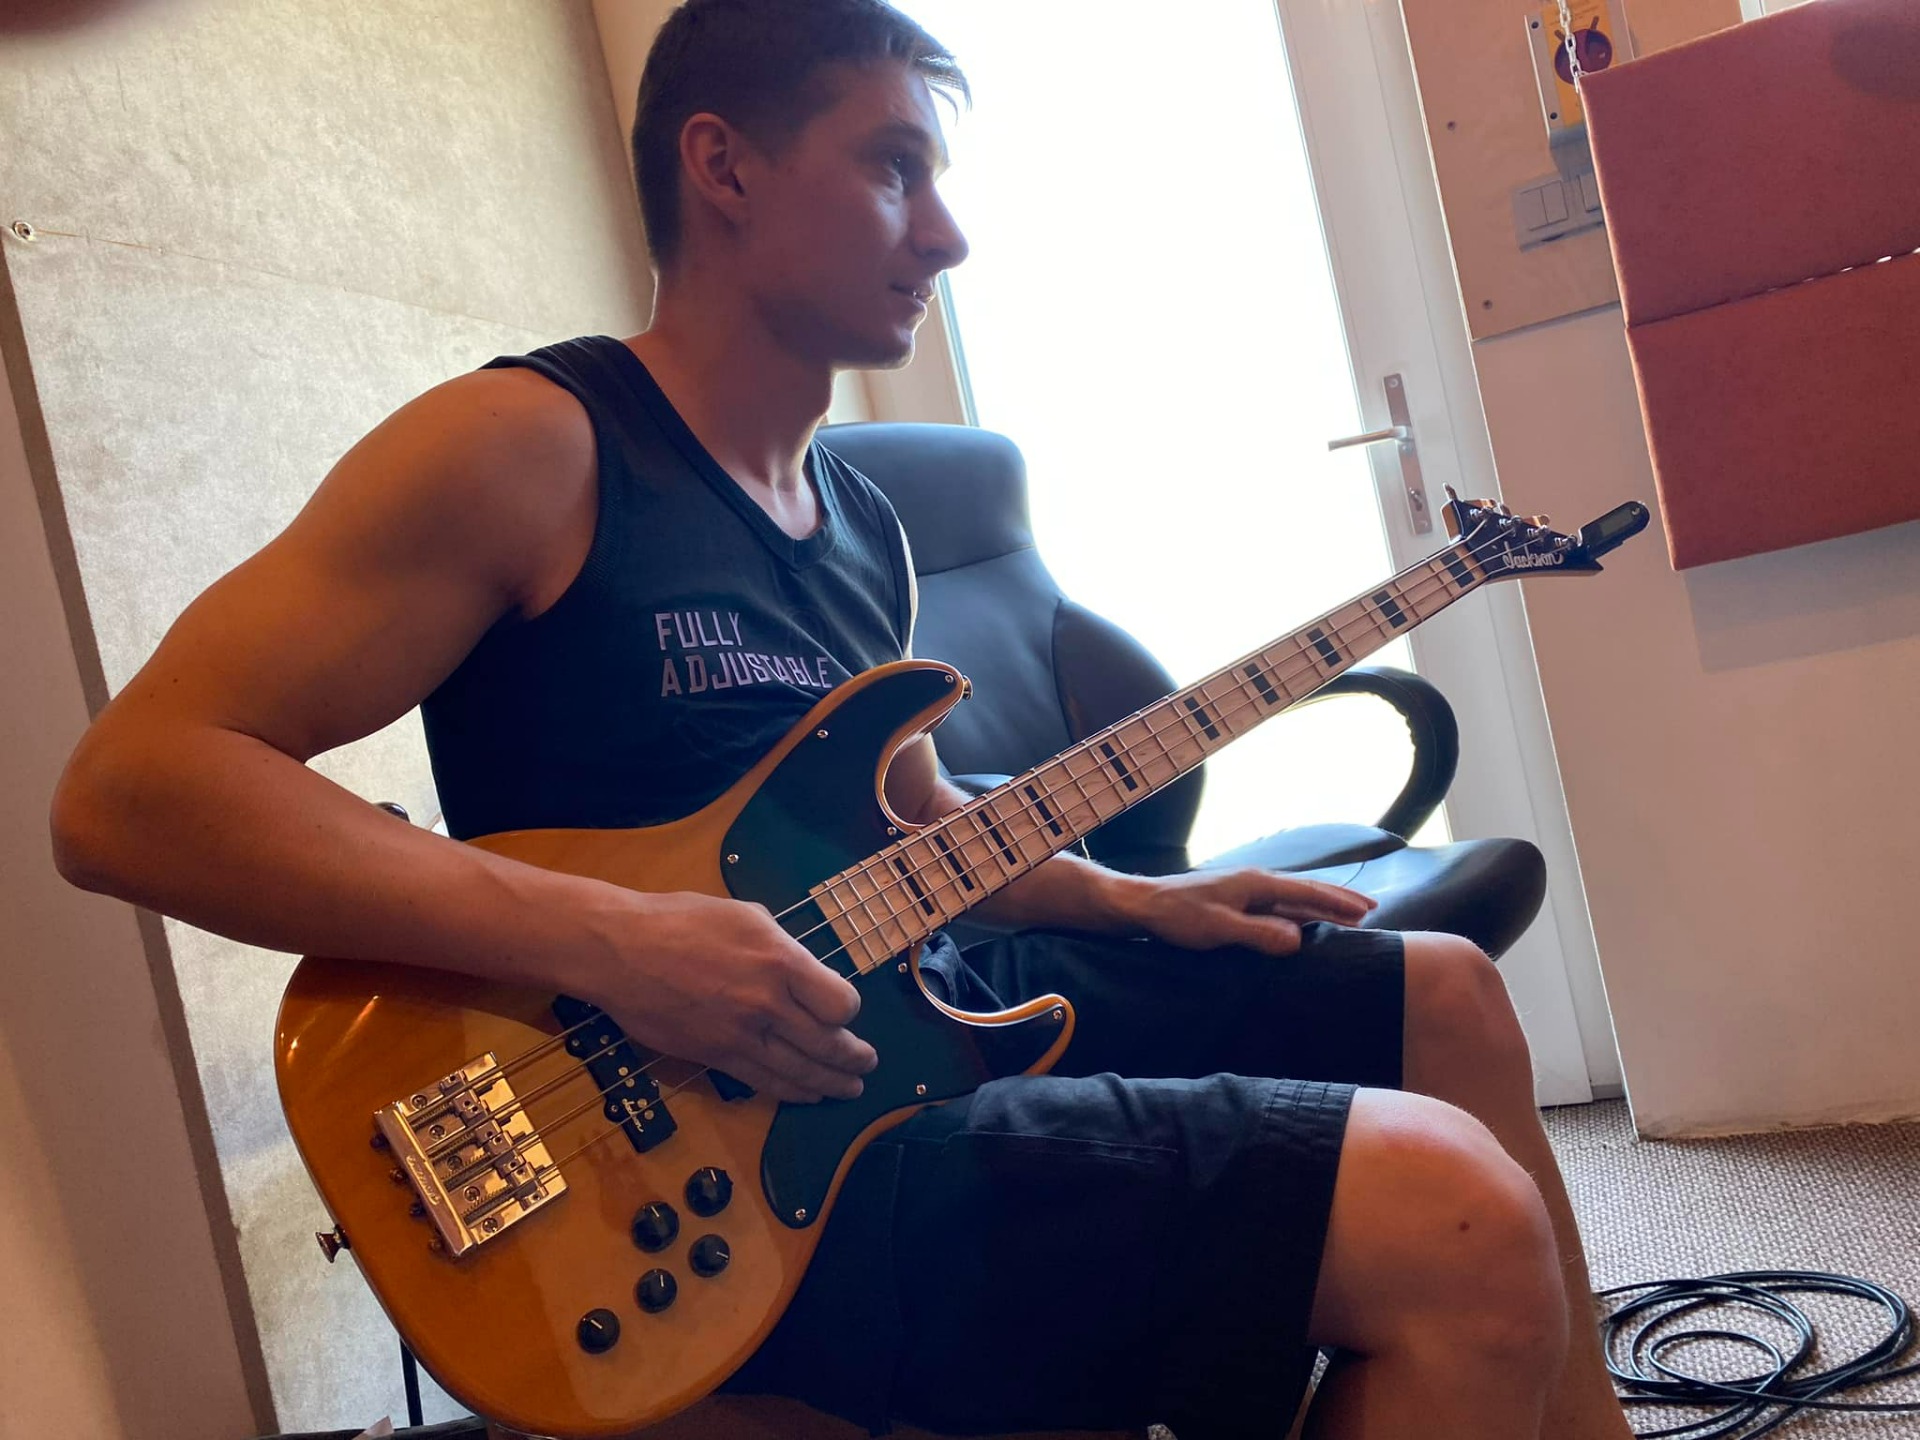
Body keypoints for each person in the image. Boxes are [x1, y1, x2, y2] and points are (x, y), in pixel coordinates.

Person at [51, 2, 1635, 1437]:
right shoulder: (533, 446)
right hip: (729, 1152)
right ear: (723, 168)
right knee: (1453, 1222)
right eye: (892, 168)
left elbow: (921, 826)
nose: (946, 233)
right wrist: (620, 944)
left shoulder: (863, 523)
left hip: (917, 1023)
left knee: (1444, 995)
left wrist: (1131, 899)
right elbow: (131, 789)